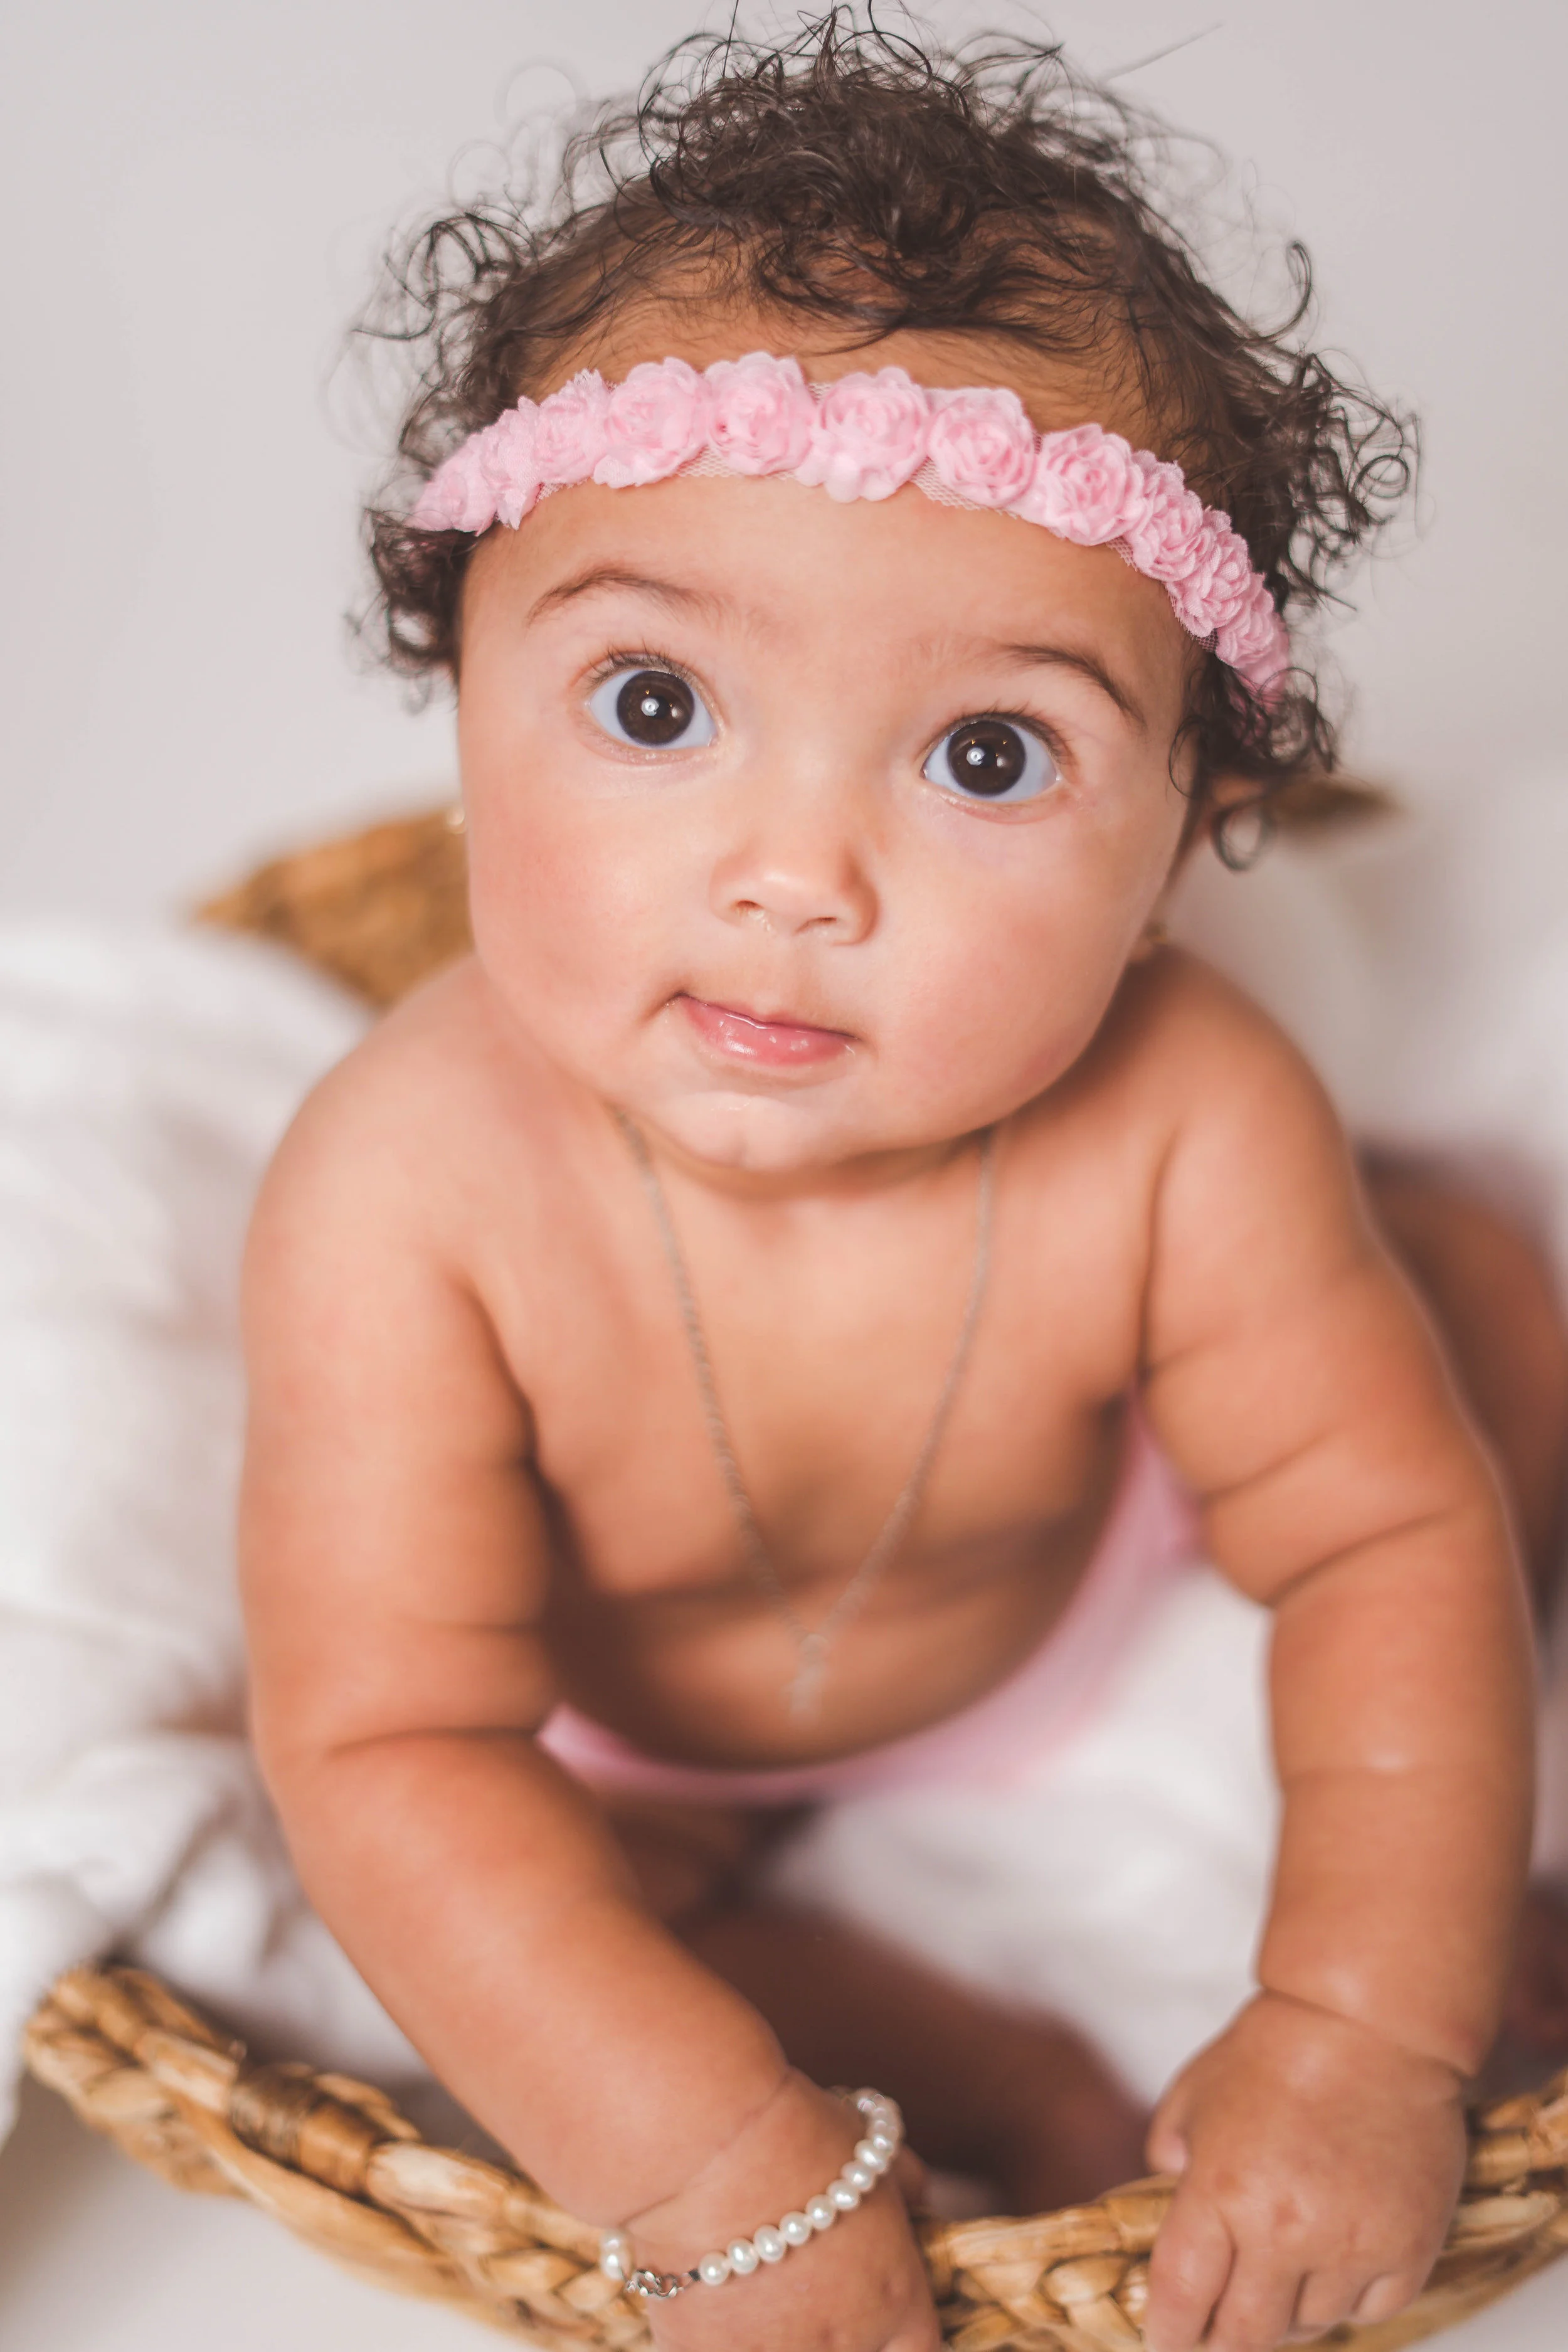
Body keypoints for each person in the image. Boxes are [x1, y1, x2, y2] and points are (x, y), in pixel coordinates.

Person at [240, 23, 1568, 2352]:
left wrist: (1365, 2020)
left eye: (986, 754)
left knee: (1481, 1317)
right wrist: (706, 2164)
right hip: (622, 1740)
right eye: (656, 705)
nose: (791, 877)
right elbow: (389, 1736)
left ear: (1176, 837)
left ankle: (1420, 1954)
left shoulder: (1182, 1107)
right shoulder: (405, 1192)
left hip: (1087, 1561)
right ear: (457, 703)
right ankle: (986, 2075)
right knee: (509, 1917)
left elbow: (1374, 1537)